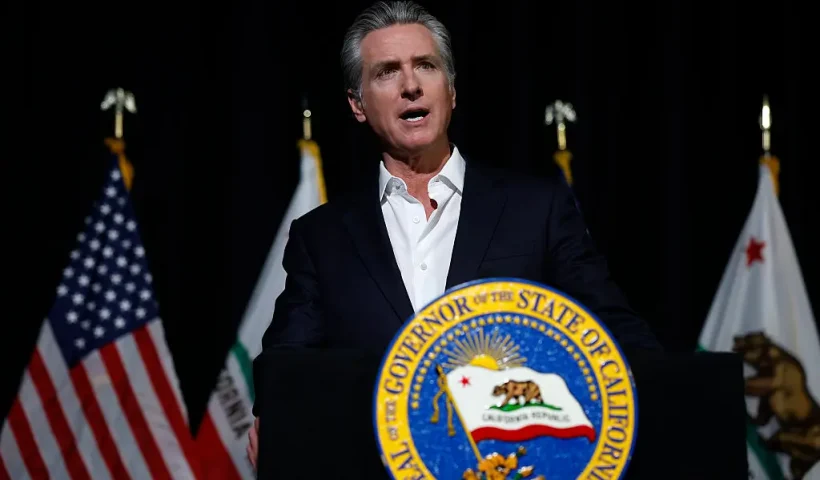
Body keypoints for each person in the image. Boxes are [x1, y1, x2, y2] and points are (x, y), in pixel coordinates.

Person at [246, 0, 662, 469]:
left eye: (426, 66)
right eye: (386, 72)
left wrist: (671, 402)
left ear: (452, 91)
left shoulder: (536, 209)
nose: (410, 85)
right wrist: (275, 420)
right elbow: (287, 363)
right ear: (357, 105)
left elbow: (612, 328)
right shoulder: (320, 237)